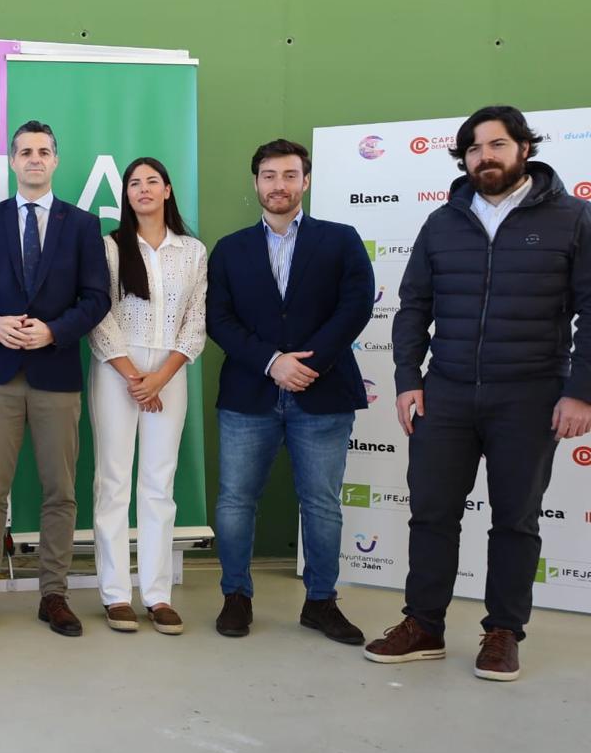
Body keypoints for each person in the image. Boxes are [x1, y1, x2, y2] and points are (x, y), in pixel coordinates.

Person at [366, 106, 591, 681]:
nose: (483, 157)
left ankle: (502, 632)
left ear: (523, 149)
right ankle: (424, 625)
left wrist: (580, 392)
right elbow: (413, 305)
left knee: (515, 519)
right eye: (472, 148)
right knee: (433, 513)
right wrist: (407, 379)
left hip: (532, 395)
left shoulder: (573, 219)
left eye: (496, 145)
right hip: (446, 394)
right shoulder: (443, 223)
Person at [206, 139, 372, 643]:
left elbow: (356, 306)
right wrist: (272, 362)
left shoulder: (340, 239)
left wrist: (307, 364)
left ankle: (321, 602)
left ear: (306, 180)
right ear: (255, 182)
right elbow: (218, 318)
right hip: (248, 394)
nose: (279, 185)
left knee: (321, 504)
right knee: (236, 502)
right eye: (269, 176)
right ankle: (236, 596)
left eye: (289, 175)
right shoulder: (230, 248)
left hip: (322, 394)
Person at [0, 121, 110, 636]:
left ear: (56, 161)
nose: (35, 159)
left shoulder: (83, 225)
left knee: (59, 491)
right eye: (25, 151)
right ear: (11, 160)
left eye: (44, 151)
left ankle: (54, 595)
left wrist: (53, 332)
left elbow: (96, 298)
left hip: (56, 370)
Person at [87, 157, 206, 635]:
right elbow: (99, 315)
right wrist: (134, 375)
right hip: (117, 368)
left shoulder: (192, 251)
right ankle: (116, 595)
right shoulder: (110, 248)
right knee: (112, 481)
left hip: (171, 369)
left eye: (151, 181)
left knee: (159, 482)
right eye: (134, 183)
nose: (142, 189)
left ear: (168, 190)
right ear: (126, 194)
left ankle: (157, 594)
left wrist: (159, 377)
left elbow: (196, 320)